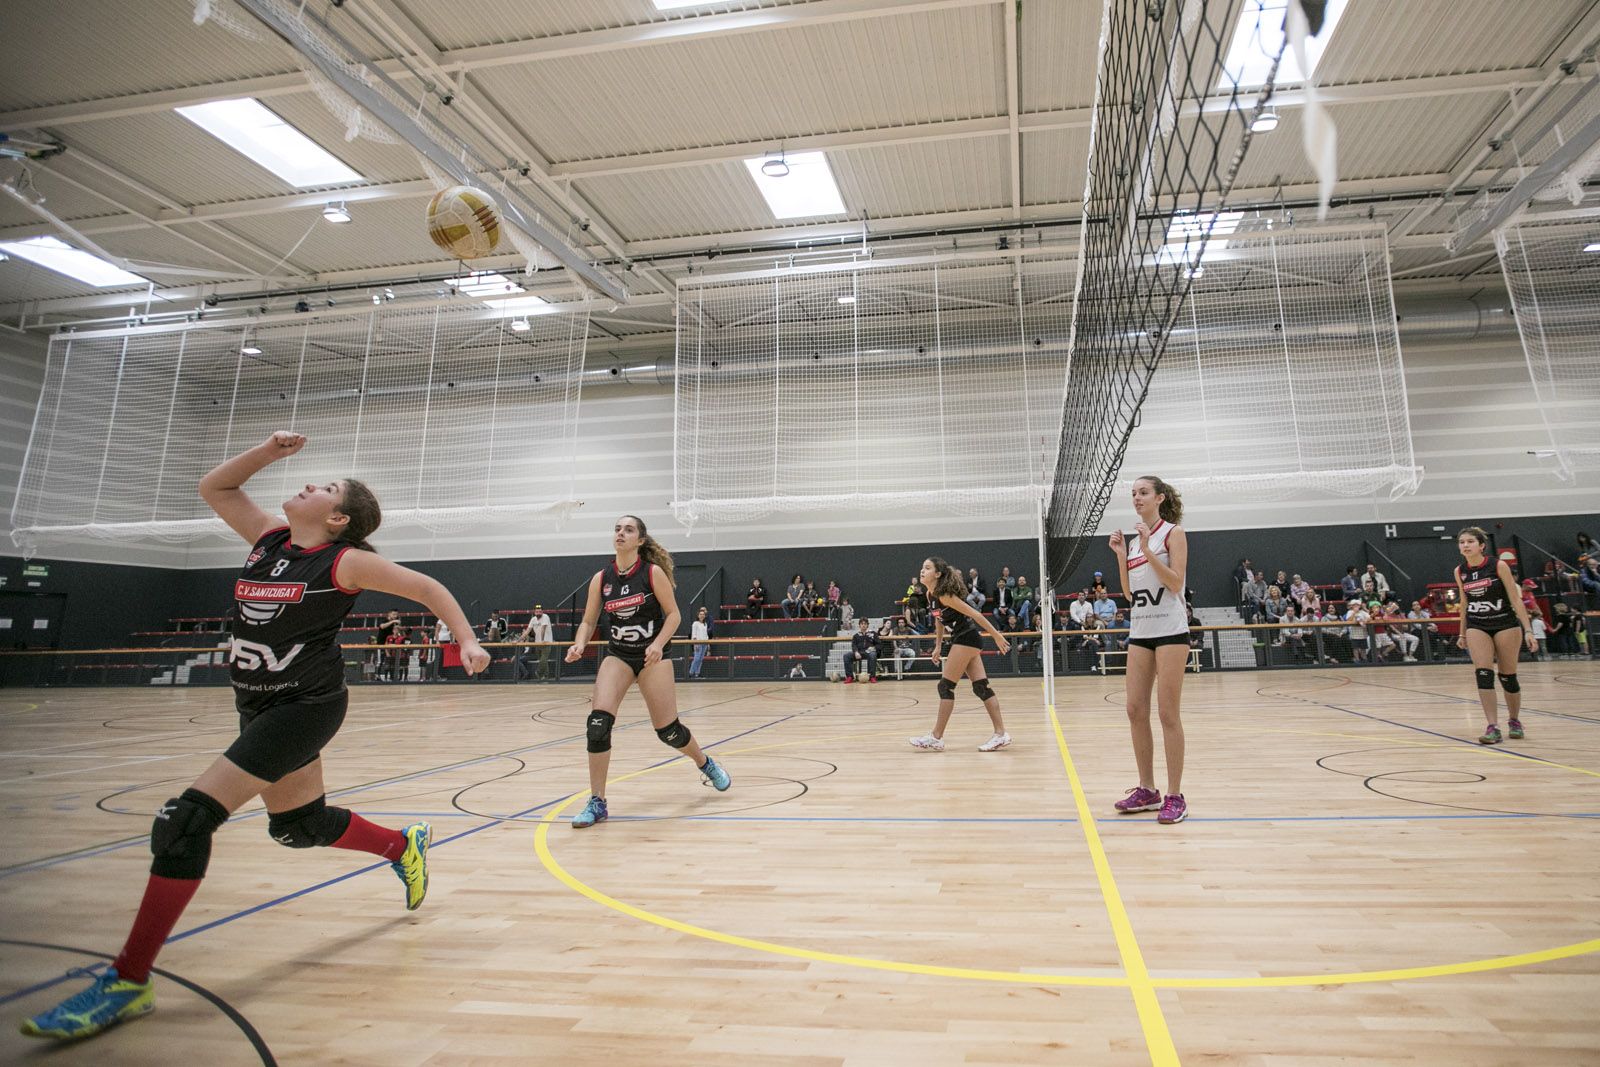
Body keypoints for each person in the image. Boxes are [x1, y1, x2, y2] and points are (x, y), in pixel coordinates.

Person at [20, 431, 489, 1043]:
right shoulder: (268, 539)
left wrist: (466, 638)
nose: (310, 485)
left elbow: (427, 587)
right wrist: (270, 450)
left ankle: (128, 980)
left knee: (184, 821)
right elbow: (215, 486)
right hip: (257, 704)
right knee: (298, 827)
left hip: (305, 707)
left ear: (337, 517)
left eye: (325, 488)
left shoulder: (344, 561)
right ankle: (403, 847)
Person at [564, 515, 731, 828]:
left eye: (628, 530)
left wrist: (657, 644)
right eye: (617, 529)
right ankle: (597, 801)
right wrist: (579, 644)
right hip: (619, 655)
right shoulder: (602, 579)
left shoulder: (652, 574)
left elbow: (674, 615)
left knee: (669, 731)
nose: (621, 533)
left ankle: (704, 763)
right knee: (598, 723)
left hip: (653, 657)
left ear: (640, 540)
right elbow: (588, 620)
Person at [1108, 475, 1190, 826]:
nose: (1136, 498)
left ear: (1159, 498)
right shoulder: (1136, 539)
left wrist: (1146, 548)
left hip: (1171, 632)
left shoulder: (1173, 533)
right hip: (1141, 631)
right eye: (1133, 494)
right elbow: (1128, 594)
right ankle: (1147, 789)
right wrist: (1123, 555)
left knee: (1167, 713)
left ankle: (1175, 795)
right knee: (1133, 709)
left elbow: (1174, 582)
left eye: (1143, 493)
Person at [908, 557, 1012, 752]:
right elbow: (939, 619)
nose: (922, 571)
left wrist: (997, 636)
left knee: (945, 686)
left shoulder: (945, 595)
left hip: (966, 637)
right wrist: (938, 645)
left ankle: (936, 737)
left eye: (927, 568)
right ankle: (1001, 734)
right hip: (964, 639)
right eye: (922, 567)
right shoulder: (931, 595)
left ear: (937, 574)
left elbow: (976, 614)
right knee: (981, 688)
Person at [1454, 526, 1538, 745]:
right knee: (1483, 674)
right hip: (1477, 624)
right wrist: (1462, 632)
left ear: (1481, 545)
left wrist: (1528, 630)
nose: (1465, 545)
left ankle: (1514, 720)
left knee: (1508, 676)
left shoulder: (1498, 565)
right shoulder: (1460, 571)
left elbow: (1515, 598)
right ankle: (1492, 726)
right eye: (1462, 542)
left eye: (1470, 541)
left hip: (1505, 623)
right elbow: (1464, 604)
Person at [843, 618, 879, 683]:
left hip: (869, 652)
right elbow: (853, 645)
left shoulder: (873, 634)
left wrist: (873, 648)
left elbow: (879, 645)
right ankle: (850, 677)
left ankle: (872, 677)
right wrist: (856, 652)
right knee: (846, 656)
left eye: (865, 624)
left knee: (873, 654)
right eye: (862, 624)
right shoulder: (856, 636)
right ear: (859, 625)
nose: (863, 625)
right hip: (859, 653)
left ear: (868, 625)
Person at [688, 606, 712, 678]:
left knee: (701, 659)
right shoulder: (695, 623)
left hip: (704, 643)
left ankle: (697, 673)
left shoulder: (705, 624)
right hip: (698, 643)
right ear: (698, 616)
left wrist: (708, 644)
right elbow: (694, 634)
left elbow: (706, 635)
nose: (702, 615)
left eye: (703, 614)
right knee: (696, 658)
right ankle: (691, 673)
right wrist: (695, 644)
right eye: (700, 614)